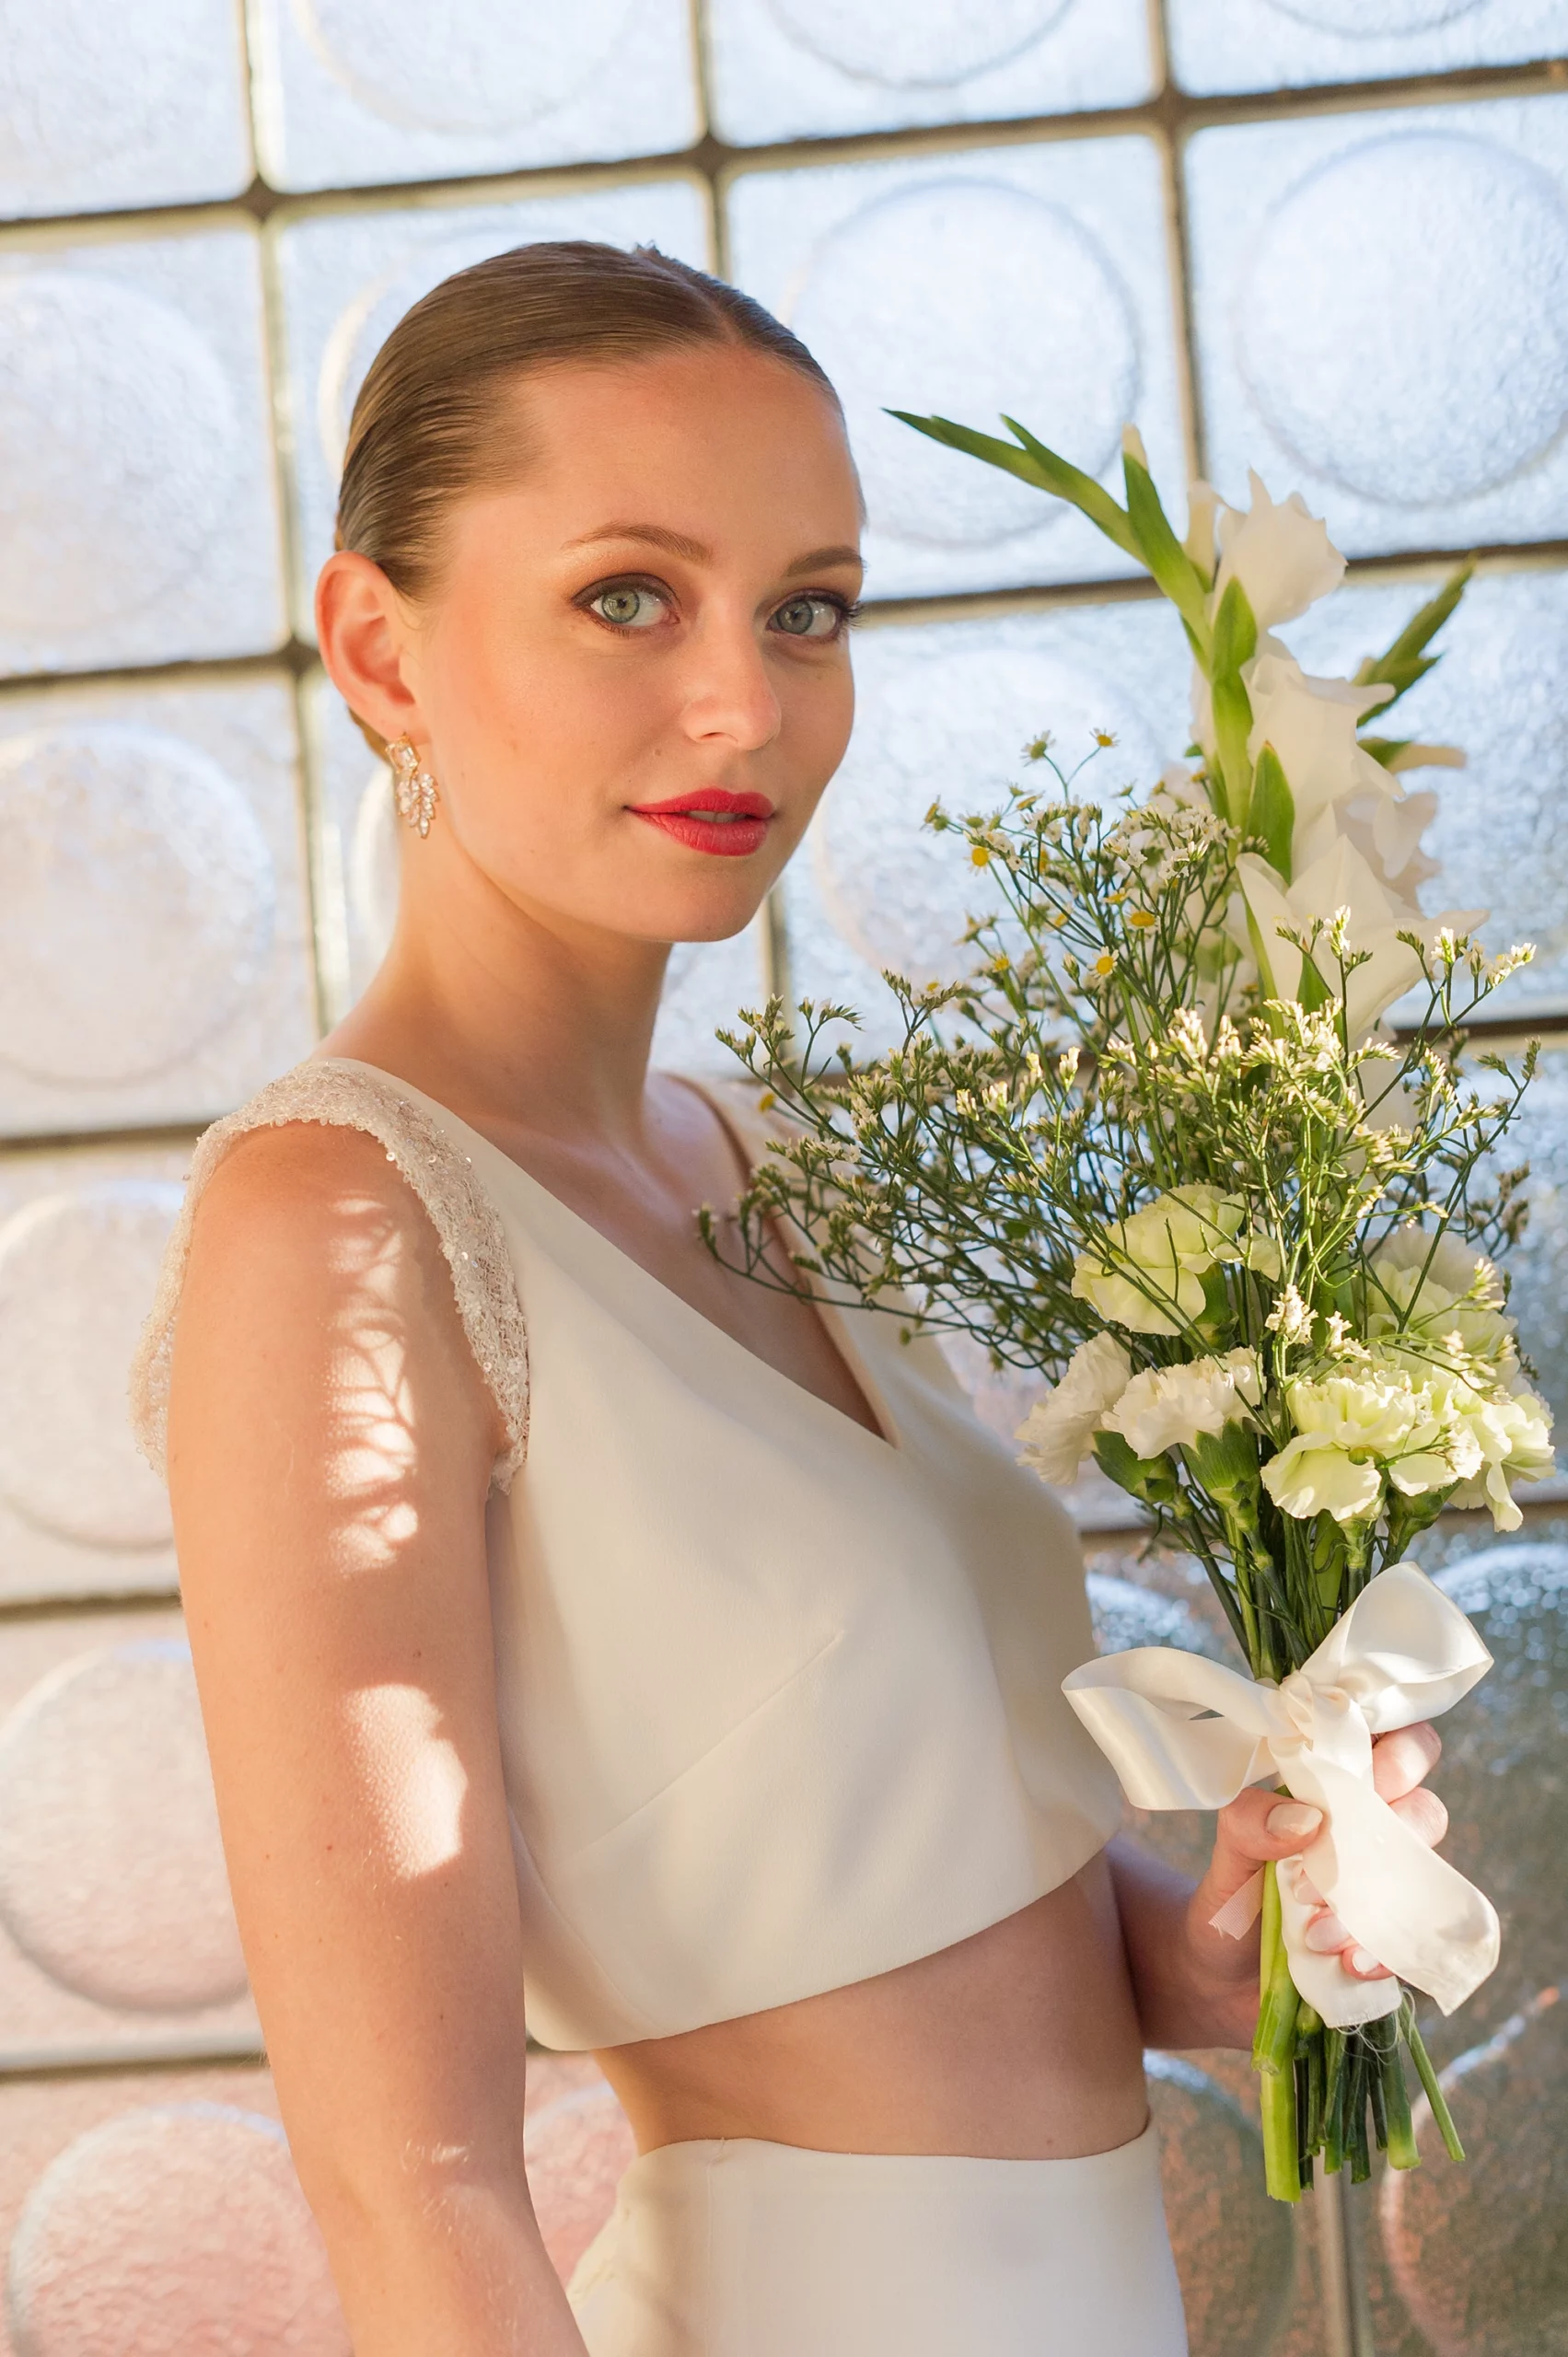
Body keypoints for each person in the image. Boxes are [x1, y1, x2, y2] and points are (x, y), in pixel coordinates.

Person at [134, 241, 1446, 2356]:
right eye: (626, 595)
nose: (742, 699)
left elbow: (903, 1856)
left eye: (803, 607)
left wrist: (1222, 1933)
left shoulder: (787, 1166)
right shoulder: (339, 1225)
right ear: (377, 648)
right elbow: (412, 2179)